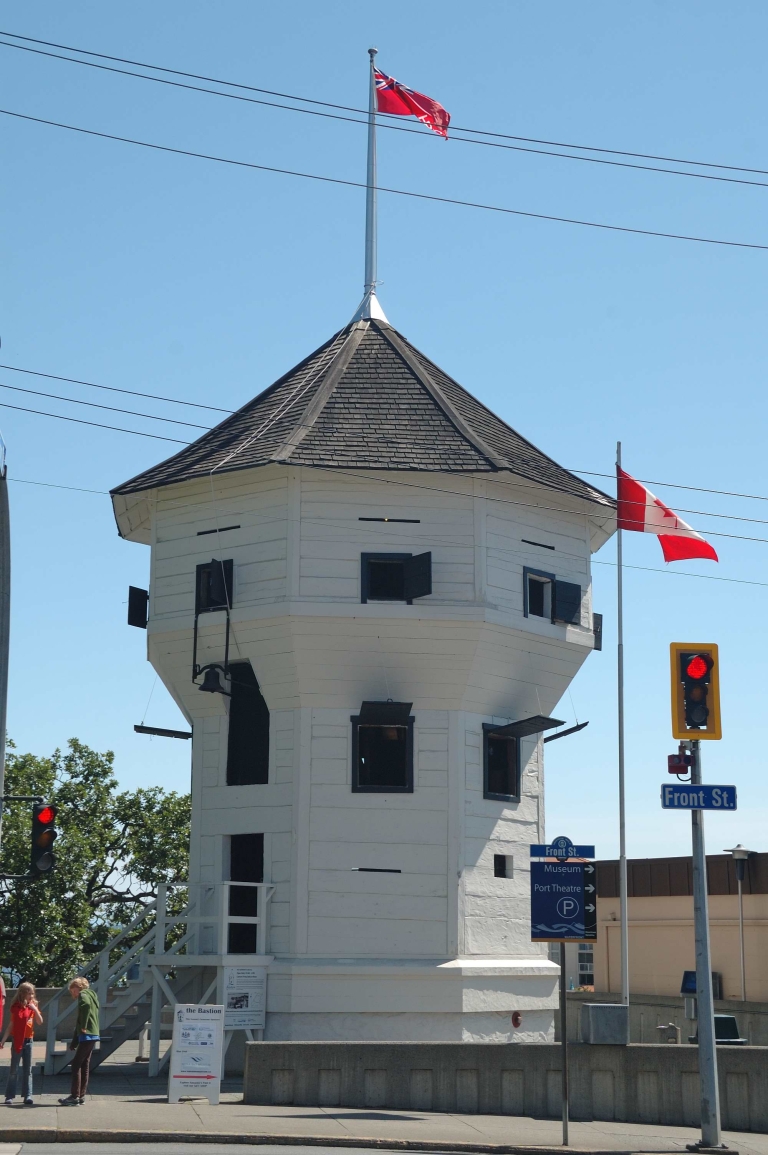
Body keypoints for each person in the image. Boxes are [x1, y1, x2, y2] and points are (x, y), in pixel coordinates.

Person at [0, 981, 43, 1106]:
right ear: (23, 993)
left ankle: (28, 1095)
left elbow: (40, 1021)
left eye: (32, 993)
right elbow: (11, 1025)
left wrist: (34, 1008)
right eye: (29, 993)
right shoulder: (16, 1007)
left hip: (29, 1040)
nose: (31, 996)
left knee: (28, 1070)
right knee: (14, 1069)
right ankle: (9, 1096)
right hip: (17, 1040)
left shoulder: (33, 1005)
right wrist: (3, 1041)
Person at [58, 977, 100, 1106]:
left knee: (76, 1064)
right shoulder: (93, 995)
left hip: (86, 1034)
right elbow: (80, 1020)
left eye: (73, 990)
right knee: (84, 1064)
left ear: (78, 987)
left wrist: (84, 1026)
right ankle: (81, 1095)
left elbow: (85, 1009)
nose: (73, 994)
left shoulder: (83, 995)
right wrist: (74, 1042)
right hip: (93, 1034)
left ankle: (74, 1096)